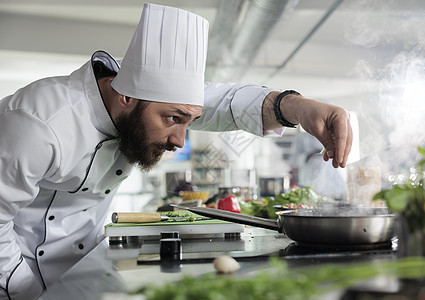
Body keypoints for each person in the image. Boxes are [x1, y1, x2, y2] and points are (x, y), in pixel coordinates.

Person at [0, 3, 352, 299]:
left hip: (83, 268)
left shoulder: (148, 100)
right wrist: (29, 292)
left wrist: (300, 107)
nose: (180, 140)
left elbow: (227, 103)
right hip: (16, 277)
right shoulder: (38, 123)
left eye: (189, 120)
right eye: (173, 119)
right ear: (127, 96)